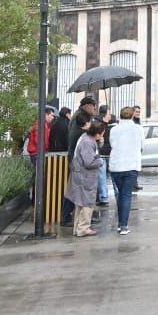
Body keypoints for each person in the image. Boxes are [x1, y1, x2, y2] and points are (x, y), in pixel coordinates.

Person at [66, 119, 105, 237]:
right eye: (102, 132)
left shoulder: (85, 138)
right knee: (87, 202)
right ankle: (83, 228)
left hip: (80, 175)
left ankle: (78, 228)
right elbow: (89, 162)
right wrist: (100, 161)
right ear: (98, 133)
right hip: (85, 177)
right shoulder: (88, 142)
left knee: (80, 203)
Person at [109, 106, 145, 235]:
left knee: (120, 195)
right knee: (126, 195)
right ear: (131, 116)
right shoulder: (138, 129)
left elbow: (112, 144)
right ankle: (123, 225)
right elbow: (142, 145)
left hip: (116, 165)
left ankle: (121, 224)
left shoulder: (114, 129)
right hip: (131, 165)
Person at [61, 97, 95, 227]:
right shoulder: (81, 116)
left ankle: (74, 216)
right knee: (77, 188)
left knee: (75, 187)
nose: (95, 109)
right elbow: (89, 130)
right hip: (78, 158)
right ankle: (67, 217)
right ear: (87, 106)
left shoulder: (78, 115)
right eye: (93, 106)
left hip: (75, 156)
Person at [26, 106, 56, 199]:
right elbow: (40, 141)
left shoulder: (44, 125)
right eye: (51, 115)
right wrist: (48, 148)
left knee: (37, 174)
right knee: (38, 175)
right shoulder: (40, 125)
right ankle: (34, 196)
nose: (53, 117)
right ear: (46, 115)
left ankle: (34, 195)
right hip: (37, 153)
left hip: (38, 153)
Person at [95, 105, 113, 206]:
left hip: (104, 152)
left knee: (102, 176)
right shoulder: (100, 124)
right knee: (103, 176)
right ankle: (104, 197)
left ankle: (103, 196)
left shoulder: (106, 123)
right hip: (104, 152)